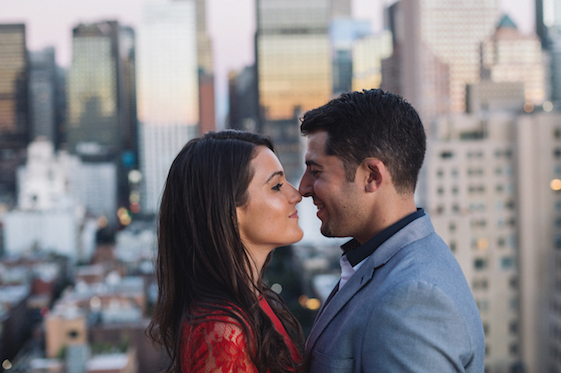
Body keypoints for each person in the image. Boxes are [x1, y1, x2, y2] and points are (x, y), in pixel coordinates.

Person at [299, 89, 485, 372]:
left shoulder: (414, 300)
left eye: (316, 171)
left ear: (372, 176)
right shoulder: (387, 264)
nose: (303, 188)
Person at [148, 130, 305, 373]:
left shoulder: (250, 303)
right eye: (276, 186)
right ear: (230, 212)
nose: (296, 195)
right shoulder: (222, 331)